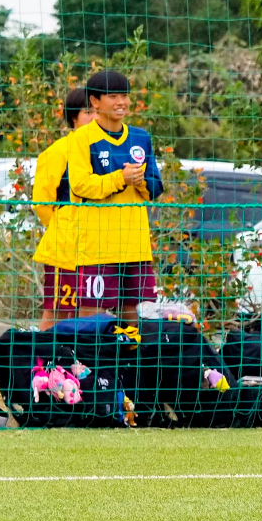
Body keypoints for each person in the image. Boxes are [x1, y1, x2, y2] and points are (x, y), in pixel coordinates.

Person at [66, 70, 164, 325]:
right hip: (97, 245)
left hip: (135, 242)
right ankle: (87, 364)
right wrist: (120, 178)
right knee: (91, 312)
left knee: (134, 311)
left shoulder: (141, 137)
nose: (121, 102)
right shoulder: (81, 139)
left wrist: (140, 181)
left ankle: (132, 363)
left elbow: (156, 186)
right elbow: (79, 185)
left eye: (125, 96)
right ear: (95, 102)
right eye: (113, 96)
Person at [32, 87, 97, 329]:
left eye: (97, 111)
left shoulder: (105, 148)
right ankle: (44, 362)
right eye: (87, 111)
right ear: (73, 117)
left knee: (90, 310)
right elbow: (41, 201)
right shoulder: (58, 151)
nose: (94, 117)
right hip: (66, 246)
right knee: (57, 309)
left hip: (98, 246)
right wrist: (63, 226)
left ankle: (78, 362)